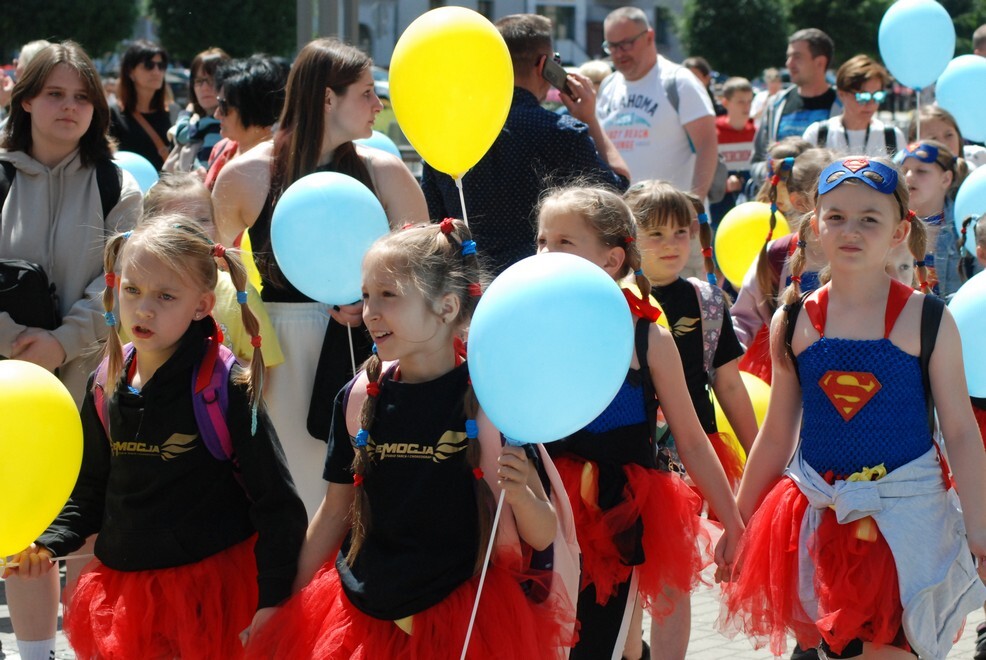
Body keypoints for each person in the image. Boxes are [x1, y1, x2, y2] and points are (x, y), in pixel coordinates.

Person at [247, 219, 576, 658]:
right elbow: (334, 512)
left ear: (445, 307)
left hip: (464, 613)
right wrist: (284, 602)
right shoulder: (359, 395)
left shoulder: (492, 402)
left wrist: (521, 497)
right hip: (367, 606)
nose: (370, 312)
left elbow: (541, 533)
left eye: (389, 295)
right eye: (365, 295)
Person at [4, 215, 308, 658]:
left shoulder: (226, 387)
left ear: (202, 305)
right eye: (132, 290)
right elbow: (90, 491)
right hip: (125, 596)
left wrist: (273, 599)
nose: (144, 309)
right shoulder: (105, 380)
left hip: (210, 598)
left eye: (166, 296)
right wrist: (47, 544)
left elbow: (277, 504)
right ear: (115, 288)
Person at [720, 155, 986, 659]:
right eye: (836, 216)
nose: (851, 230)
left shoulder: (927, 320)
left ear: (898, 231)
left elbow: (960, 429)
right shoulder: (794, 318)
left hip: (905, 522)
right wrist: (739, 522)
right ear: (815, 225)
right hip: (818, 518)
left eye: (870, 218)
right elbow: (777, 434)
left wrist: (980, 526)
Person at [213, 38, 427, 520]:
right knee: (287, 497)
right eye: (367, 92)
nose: (379, 105)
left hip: (368, 344)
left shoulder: (386, 173)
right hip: (277, 355)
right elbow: (215, 276)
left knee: (358, 498)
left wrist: (378, 299)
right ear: (327, 98)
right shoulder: (246, 174)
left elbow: (427, 267)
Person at [535, 186, 742, 659]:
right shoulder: (530, 328)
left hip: (617, 513)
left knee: (601, 637)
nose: (546, 253)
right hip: (542, 507)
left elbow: (690, 438)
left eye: (563, 242)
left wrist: (731, 517)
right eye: (542, 240)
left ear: (610, 260)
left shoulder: (646, 337)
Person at [0, 41, 142, 660]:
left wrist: (59, 344)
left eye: (83, 96)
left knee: (83, 532)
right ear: (24, 98)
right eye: (54, 93)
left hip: (92, 387)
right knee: (18, 528)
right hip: (7, 388)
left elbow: (123, 286)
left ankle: (86, 648)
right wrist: (14, 345)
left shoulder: (119, 184)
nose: (69, 107)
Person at [622, 180, 757, 658]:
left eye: (682, 232)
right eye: (654, 234)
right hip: (627, 457)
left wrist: (760, 452)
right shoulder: (613, 301)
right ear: (626, 239)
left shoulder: (706, 300)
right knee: (627, 584)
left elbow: (729, 384)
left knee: (673, 581)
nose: (671, 244)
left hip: (689, 456)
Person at [421, 14, 629, 276]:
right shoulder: (562, 133)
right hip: (544, 282)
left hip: (468, 288)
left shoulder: (444, 134)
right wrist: (590, 119)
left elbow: (432, 221)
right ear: (544, 65)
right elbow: (617, 189)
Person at [143, 172, 283, 367]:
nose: (195, 230)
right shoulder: (138, 293)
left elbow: (263, 370)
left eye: (203, 219)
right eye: (181, 222)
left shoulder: (239, 294)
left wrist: (216, 364)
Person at [731, 147, 832, 383]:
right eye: (828, 198)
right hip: (787, 383)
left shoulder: (857, 252)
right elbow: (743, 319)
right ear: (799, 202)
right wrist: (723, 363)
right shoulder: (776, 255)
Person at [597, 6, 717, 200]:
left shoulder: (679, 81)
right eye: (611, 46)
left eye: (626, 44)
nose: (618, 53)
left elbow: (707, 145)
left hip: (672, 221)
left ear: (649, 37)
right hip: (623, 220)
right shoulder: (608, 86)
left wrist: (695, 205)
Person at [751, 29, 840, 175]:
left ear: (820, 62)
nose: (788, 64)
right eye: (788, 57)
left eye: (797, 57)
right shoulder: (776, 105)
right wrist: (773, 174)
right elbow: (757, 160)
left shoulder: (844, 105)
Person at [204, 55, 286, 191]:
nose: (216, 114)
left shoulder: (279, 165)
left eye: (223, 106)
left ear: (252, 109)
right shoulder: (221, 149)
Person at [896, 140, 962, 297]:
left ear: (946, 179)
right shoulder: (890, 224)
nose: (909, 176)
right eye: (904, 170)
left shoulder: (963, 228)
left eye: (921, 171)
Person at [802, 55, 904, 157]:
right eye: (863, 97)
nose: (871, 103)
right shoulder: (818, 134)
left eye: (878, 95)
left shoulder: (892, 136)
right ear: (841, 94)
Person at [110, 40, 174, 171]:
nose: (156, 71)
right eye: (148, 65)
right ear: (130, 72)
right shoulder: (113, 114)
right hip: (128, 189)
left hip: (166, 189)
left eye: (161, 65)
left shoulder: (174, 111)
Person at [166, 47, 230, 175]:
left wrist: (185, 114)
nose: (205, 87)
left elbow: (181, 135)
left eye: (212, 80)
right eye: (199, 81)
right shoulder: (198, 120)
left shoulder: (219, 124)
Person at [711, 77, 757, 227]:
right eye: (740, 102)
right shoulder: (713, 132)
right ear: (725, 103)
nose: (747, 107)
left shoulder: (756, 133)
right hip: (719, 205)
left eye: (749, 101)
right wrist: (723, 185)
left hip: (751, 204)